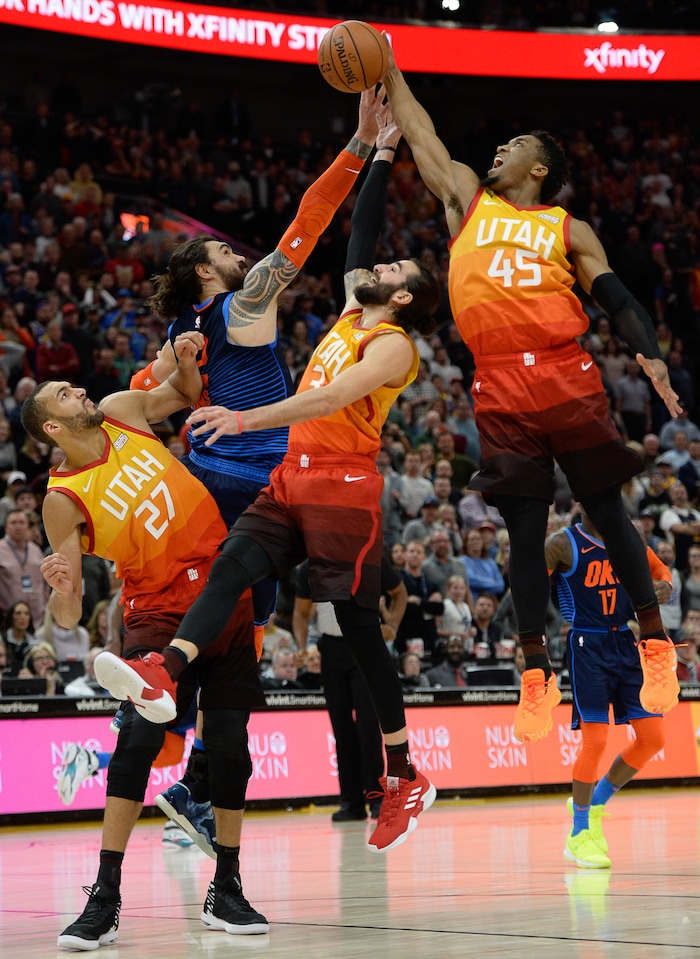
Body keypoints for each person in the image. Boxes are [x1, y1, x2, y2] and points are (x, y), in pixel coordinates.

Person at [90, 96, 441, 855]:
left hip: (251, 475)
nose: (239, 254)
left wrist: (161, 394)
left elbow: (149, 397)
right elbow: (309, 227)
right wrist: (359, 148)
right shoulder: (245, 305)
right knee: (240, 626)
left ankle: (173, 716)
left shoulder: (186, 334)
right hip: (258, 474)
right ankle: (182, 735)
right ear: (204, 271)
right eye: (223, 249)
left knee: (231, 614)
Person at [384, 50, 681, 743]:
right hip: (497, 380)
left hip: (564, 372)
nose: (499, 149)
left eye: (513, 145)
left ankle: (654, 641)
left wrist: (653, 357)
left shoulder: (567, 229)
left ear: (539, 167)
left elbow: (617, 298)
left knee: (605, 508)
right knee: (523, 528)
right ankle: (535, 672)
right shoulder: (467, 200)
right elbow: (422, 134)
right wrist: (390, 71)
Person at [20, 334, 270, 947]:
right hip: (156, 608)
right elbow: (69, 615)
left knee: (229, 747)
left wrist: (184, 362)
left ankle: (228, 887)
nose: (80, 389)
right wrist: (60, 589)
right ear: (52, 426)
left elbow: (181, 394)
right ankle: (104, 895)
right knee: (136, 738)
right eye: (65, 393)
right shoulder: (61, 499)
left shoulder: (120, 411)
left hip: (223, 586)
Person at [546, 509, 672, 868]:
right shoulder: (562, 543)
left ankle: (596, 801)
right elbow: (527, 588)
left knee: (653, 739)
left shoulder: (627, 538)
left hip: (626, 642)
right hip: (587, 644)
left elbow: (661, 570)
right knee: (595, 742)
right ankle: (578, 833)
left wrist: (667, 585)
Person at [292, 555, 407, 822]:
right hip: (331, 649)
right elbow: (300, 612)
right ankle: (351, 802)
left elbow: (400, 593)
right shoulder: (310, 566)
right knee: (341, 729)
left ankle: (376, 797)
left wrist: (392, 625)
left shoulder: (367, 556)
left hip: (366, 644)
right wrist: (301, 647)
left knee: (369, 727)